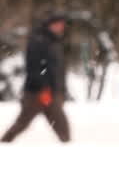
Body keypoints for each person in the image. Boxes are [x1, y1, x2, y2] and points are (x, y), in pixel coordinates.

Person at [2, 14, 72, 143]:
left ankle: (68, 147)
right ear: (50, 25)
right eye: (58, 24)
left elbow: (57, 70)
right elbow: (34, 67)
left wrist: (61, 90)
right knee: (22, 122)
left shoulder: (55, 42)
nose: (61, 27)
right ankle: (4, 143)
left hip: (52, 92)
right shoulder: (38, 41)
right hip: (36, 93)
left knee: (61, 125)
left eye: (62, 25)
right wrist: (43, 88)